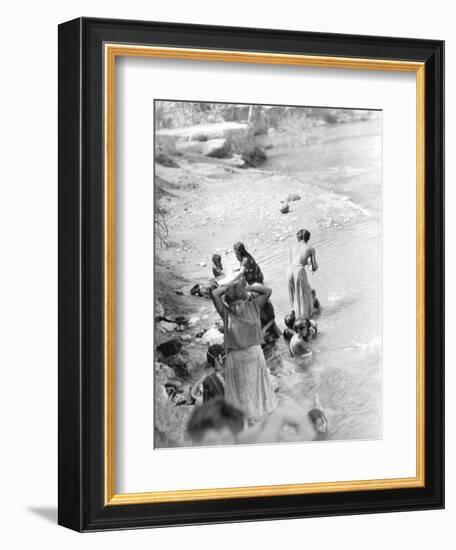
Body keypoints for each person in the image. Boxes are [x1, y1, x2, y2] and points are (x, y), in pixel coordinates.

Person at [211, 281, 277, 422]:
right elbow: (215, 294)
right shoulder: (226, 313)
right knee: (242, 393)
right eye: (233, 304)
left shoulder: (254, 306)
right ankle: (246, 421)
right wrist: (230, 288)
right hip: (237, 360)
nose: (236, 308)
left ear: (245, 299)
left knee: (257, 391)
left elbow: (267, 291)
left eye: (239, 303)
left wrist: (246, 288)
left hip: (255, 357)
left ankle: (258, 420)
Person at [187, 397, 314, 446]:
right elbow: (278, 416)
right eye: (211, 442)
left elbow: (265, 423)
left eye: (226, 440)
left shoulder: (233, 444)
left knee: (287, 403)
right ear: (197, 444)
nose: (221, 449)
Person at [287, 229, 318, 319]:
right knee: (304, 293)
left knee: (292, 292)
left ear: (298, 238)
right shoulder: (310, 248)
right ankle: (305, 317)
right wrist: (310, 265)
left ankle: (293, 313)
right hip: (299, 270)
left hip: (289, 270)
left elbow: (292, 261)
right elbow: (314, 267)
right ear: (308, 238)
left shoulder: (292, 246)